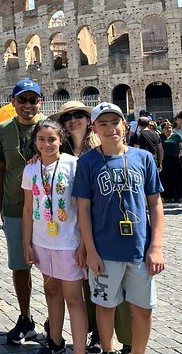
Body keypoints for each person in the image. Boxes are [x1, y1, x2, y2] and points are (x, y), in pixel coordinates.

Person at [74, 103, 165, 354]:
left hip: (139, 249)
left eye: (115, 122)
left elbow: (156, 205)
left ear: (124, 125)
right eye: (103, 123)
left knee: (143, 308)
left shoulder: (143, 158)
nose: (110, 128)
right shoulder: (88, 162)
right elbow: (83, 210)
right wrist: (90, 250)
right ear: (94, 128)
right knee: (105, 306)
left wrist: (156, 247)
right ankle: (107, 349)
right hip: (104, 250)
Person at [49, 101, 132, 353]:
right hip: (67, 227)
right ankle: (95, 332)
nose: (73, 120)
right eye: (68, 117)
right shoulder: (58, 150)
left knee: (109, 282)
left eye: (79, 115)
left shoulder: (101, 150)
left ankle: (118, 336)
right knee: (86, 284)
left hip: (98, 224)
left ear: (89, 121)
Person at [22, 120, 87, 354]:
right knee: (51, 292)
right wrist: (26, 242)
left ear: (60, 140)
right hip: (42, 241)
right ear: (35, 142)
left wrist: (84, 244)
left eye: (52, 139)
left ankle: (79, 349)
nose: (47, 144)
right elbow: (28, 209)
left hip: (69, 241)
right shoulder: (31, 169)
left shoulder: (73, 165)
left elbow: (82, 207)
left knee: (73, 298)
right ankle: (55, 342)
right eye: (42, 139)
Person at [0, 78, 43, 343]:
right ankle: (25, 317)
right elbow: (0, 170)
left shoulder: (49, 127)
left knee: (52, 269)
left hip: (47, 211)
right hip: (14, 208)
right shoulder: (2, 131)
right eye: (22, 100)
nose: (27, 105)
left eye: (32, 100)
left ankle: (53, 319)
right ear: (13, 102)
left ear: (39, 102)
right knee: (20, 266)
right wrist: (0, 204)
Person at [160, 117, 182, 202]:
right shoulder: (160, 137)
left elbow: (181, 147)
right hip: (165, 160)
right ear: (162, 129)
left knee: (177, 178)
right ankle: (168, 196)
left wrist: (180, 155)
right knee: (166, 179)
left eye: (170, 127)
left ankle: (178, 196)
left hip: (175, 160)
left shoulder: (176, 136)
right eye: (166, 127)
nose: (168, 129)